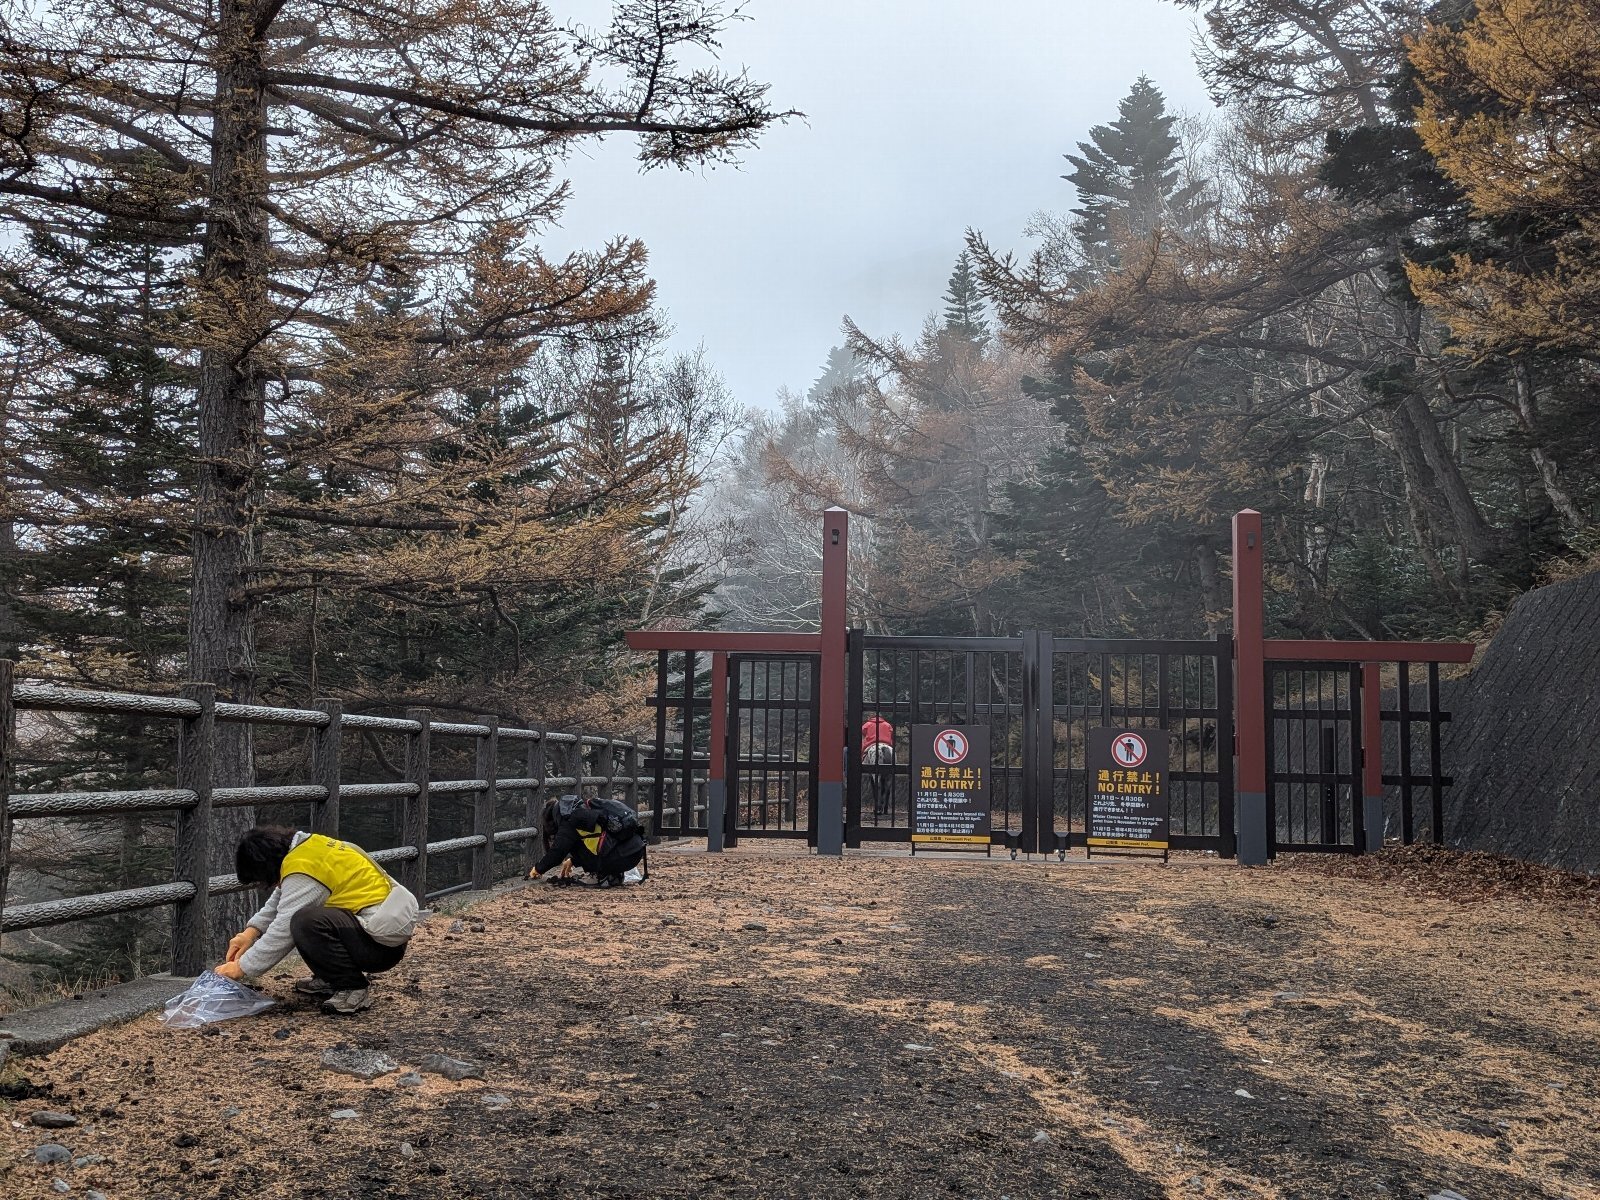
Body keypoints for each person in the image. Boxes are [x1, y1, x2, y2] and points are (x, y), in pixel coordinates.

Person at [214, 826, 419, 1015]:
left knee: (305, 922)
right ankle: (331, 979)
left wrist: (242, 968)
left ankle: (352, 988)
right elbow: (282, 898)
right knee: (306, 919)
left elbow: (282, 929)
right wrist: (250, 933)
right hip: (381, 934)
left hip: (379, 948)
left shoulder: (303, 870)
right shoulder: (308, 849)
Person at [528, 794, 645, 888]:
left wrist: (538, 869)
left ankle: (603, 875)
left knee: (571, 844)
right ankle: (613, 874)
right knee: (577, 841)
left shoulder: (569, 820)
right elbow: (597, 839)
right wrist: (573, 861)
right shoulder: (584, 808)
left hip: (623, 857)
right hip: (635, 851)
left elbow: (557, 852)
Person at [862, 715, 896, 818]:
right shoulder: (888, 725)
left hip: (872, 745)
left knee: (874, 779)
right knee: (890, 777)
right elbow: (891, 733)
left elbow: (863, 732)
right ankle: (886, 807)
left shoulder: (867, 724)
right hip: (887, 745)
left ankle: (877, 806)